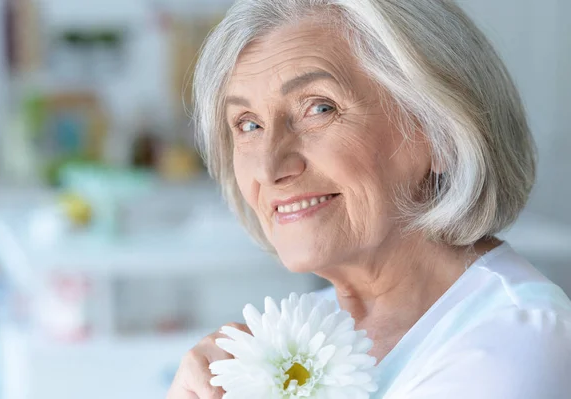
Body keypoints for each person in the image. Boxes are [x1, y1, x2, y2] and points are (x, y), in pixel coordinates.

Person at [167, 0, 571, 397]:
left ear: (441, 130)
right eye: (248, 124)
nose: (270, 168)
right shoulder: (309, 328)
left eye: (319, 108)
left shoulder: (511, 344)